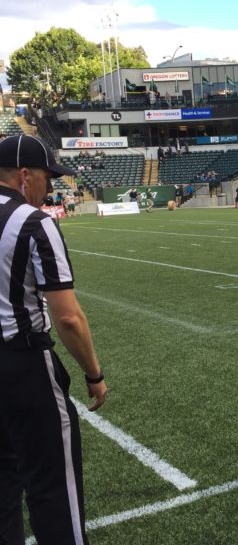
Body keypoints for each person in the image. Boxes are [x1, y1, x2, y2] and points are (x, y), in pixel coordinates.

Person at [0, 135, 107, 544]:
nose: (52, 187)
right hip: (23, 367)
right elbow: (68, 318)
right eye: (48, 177)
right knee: (54, 490)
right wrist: (93, 373)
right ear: (25, 176)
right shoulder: (33, 222)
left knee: (3, 489)